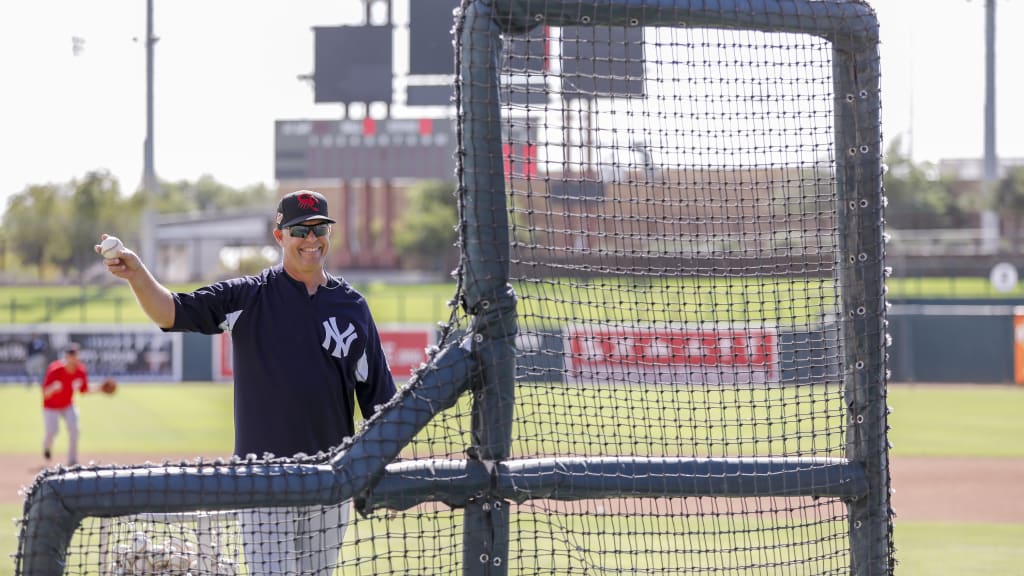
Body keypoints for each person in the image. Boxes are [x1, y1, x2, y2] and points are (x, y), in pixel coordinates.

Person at [97, 189, 398, 575]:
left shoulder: (353, 306)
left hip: (330, 482)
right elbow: (172, 312)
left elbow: (379, 400)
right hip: (262, 481)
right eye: (299, 231)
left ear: (329, 233)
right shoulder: (249, 296)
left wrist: (382, 471)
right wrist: (137, 275)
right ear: (279, 236)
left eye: (319, 229)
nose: (311, 239)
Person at [41, 342, 88, 466]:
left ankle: (72, 460)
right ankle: (47, 447)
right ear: (66, 356)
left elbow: (84, 390)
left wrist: (101, 388)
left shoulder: (80, 370)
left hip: (67, 404)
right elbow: (45, 393)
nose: (74, 357)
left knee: (75, 429)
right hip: (51, 406)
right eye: (71, 354)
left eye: (76, 354)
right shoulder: (55, 369)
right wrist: (53, 387)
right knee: (52, 432)